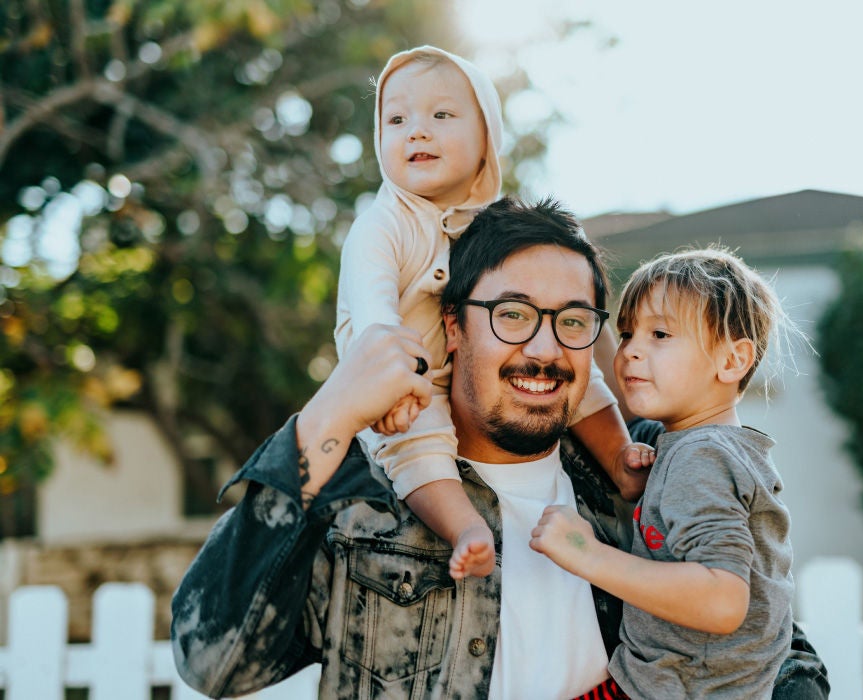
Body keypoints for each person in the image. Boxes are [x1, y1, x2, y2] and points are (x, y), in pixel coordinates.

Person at [171, 197, 829, 699]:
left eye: (572, 322)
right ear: (453, 327)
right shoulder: (359, 492)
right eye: (512, 315)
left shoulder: (643, 467)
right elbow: (213, 660)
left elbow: (770, 637)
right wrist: (326, 417)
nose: (544, 349)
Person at [334, 46, 651, 581]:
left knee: (580, 373)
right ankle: (465, 528)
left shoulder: (494, 228)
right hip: (402, 385)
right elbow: (374, 321)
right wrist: (392, 388)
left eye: (441, 115)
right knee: (418, 448)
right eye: (396, 119)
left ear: (487, 139)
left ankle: (620, 459)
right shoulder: (382, 225)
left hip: (453, 373)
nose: (416, 131)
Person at [532, 248, 802, 699]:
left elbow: (722, 600)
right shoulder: (709, 449)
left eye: (659, 334)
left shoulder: (701, 456)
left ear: (732, 361)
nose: (631, 350)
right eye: (626, 333)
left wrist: (585, 554)